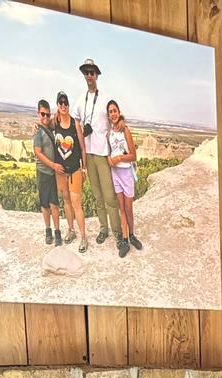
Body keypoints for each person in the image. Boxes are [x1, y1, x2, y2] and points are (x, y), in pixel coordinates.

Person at [77, 58, 119, 247]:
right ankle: (104, 228)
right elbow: (73, 123)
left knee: (109, 195)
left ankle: (118, 232)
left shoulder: (105, 98)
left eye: (92, 72)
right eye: (86, 72)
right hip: (89, 154)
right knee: (97, 195)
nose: (89, 75)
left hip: (102, 153)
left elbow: (115, 120)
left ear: (97, 75)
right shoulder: (80, 100)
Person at [104, 99, 143, 258]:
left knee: (128, 208)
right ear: (108, 115)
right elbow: (108, 152)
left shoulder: (124, 130)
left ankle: (132, 235)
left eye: (115, 111)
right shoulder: (109, 133)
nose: (113, 114)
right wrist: (109, 160)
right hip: (115, 174)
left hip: (126, 173)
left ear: (118, 112)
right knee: (121, 208)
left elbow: (133, 155)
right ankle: (125, 240)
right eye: (110, 112)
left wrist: (119, 158)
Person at [49, 92, 86, 249]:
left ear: (68, 105)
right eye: (60, 103)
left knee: (76, 202)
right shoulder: (54, 122)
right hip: (60, 171)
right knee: (66, 201)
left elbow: (83, 148)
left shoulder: (74, 124)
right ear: (57, 105)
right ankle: (71, 230)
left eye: (65, 103)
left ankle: (84, 236)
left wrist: (84, 168)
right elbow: (44, 124)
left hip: (75, 170)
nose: (63, 105)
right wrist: (36, 124)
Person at [30, 100, 62, 245]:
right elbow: (38, 153)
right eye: (43, 114)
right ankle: (48, 231)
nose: (45, 117)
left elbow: (58, 119)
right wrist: (53, 166)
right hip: (44, 172)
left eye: (47, 114)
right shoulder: (38, 132)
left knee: (54, 203)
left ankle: (57, 231)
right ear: (38, 113)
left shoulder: (49, 126)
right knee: (45, 204)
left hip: (52, 172)